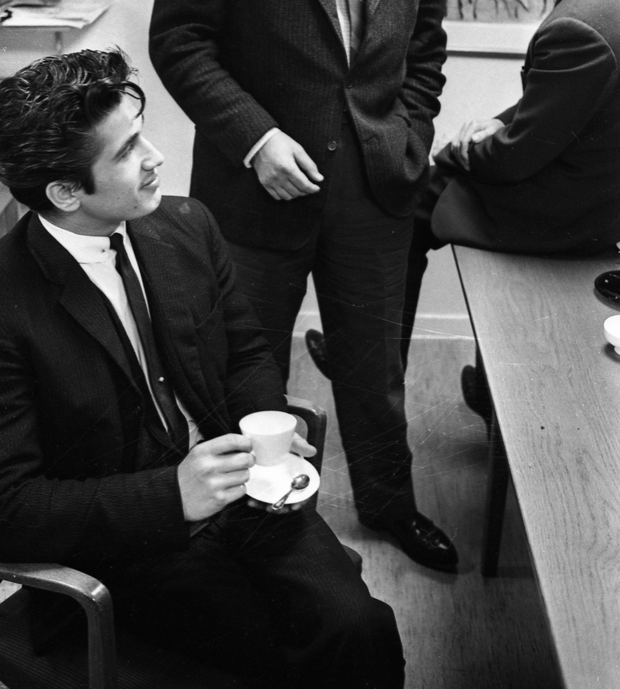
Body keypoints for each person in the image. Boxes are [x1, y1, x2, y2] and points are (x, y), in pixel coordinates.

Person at [0, 48, 406, 689]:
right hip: (127, 547)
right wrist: (174, 495)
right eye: (127, 151)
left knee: (361, 628)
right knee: (292, 657)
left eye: (142, 135)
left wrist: (264, 427)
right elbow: (12, 507)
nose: (156, 157)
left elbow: (244, 352)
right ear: (65, 192)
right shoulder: (6, 302)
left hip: (247, 498)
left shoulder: (187, 224)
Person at [149, 0, 456, 573]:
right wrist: (255, 138)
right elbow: (179, 41)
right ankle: (245, 531)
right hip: (254, 194)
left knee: (374, 371)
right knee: (240, 374)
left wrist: (407, 135)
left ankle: (389, 506)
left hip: (375, 190)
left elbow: (426, 51)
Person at [398, 0, 620, 420]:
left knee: (412, 202)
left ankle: (378, 370)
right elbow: (566, 104)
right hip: (603, 195)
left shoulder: (583, 21)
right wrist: (497, 126)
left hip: (573, 217)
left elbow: (517, 158)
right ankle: (484, 387)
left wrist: (460, 150)